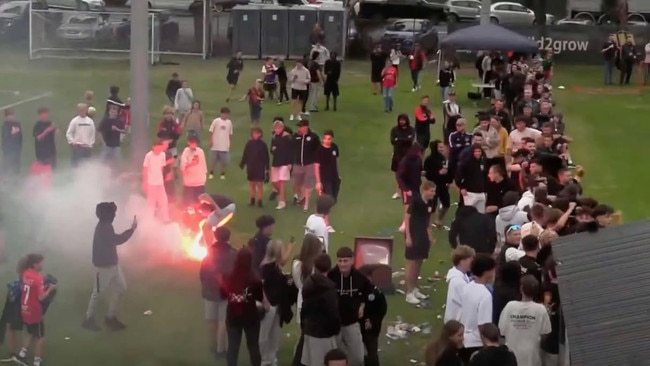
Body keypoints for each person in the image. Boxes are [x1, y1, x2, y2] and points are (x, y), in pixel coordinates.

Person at [82, 202, 137, 331]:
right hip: (103, 267)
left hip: (113, 264)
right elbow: (117, 240)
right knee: (97, 293)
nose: (115, 215)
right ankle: (88, 319)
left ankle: (110, 317)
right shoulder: (105, 227)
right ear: (108, 215)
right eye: (113, 213)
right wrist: (132, 230)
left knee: (121, 287)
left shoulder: (105, 225)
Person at [327, 247, 372, 365]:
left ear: (352, 260)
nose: (342, 264)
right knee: (334, 358)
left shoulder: (360, 277)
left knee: (358, 357)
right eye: (340, 261)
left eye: (345, 261)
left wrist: (362, 305)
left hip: (352, 322)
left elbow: (368, 294)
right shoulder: (331, 276)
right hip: (334, 323)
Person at [200, 227, 237, 359]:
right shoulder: (233, 253)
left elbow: (203, 271)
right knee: (223, 320)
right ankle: (220, 350)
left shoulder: (209, 252)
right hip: (226, 291)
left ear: (216, 237)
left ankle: (213, 345)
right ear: (228, 237)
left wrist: (205, 284)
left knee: (211, 320)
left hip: (210, 290)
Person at [498, 274, 551, 366]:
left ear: (521, 288)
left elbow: (501, 330)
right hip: (532, 356)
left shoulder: (510, 306)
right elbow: (545, 332)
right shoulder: (541, 309)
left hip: (511, 357)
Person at [16, 254, 56, 366]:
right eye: (40, 262)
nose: (42, 264)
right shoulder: (38, 278)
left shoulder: (25, 273)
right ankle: (37, 362)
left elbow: (30, 285)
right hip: (34, 311)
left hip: (24, 309)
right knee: (40, 337)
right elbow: (41, 297)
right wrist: (50, 289)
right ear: (35, 264)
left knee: (30, 332)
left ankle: (21, 355)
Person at [259, 240, 295, 366]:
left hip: (277, 305)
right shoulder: (266, 267)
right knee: (264, 335)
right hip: (269, 305)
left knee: (275, 334)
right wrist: (266, 302)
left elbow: (276, 282)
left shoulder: (275, 266)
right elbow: (260, 286)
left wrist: (286, 281)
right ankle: (264, 360)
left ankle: (272, 359)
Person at [225, 249, 263, 366]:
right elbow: (259, 297)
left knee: (233, 346)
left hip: (233, 315)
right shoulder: (255, 278)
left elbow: (223, 293)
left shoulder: (228, 276)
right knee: (253, 346)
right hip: (250, 316)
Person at [301, 254, 340, 366]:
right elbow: (333, 313)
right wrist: (335, 329)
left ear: (315, 266)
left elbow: (304, 308)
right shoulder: (329, 289)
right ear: (329, 267)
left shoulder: (308, 284)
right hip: (324, 334)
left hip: (309, 330)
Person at [459, 254, 496, 364]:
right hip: (476, 343)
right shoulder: (485, 295)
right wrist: (488, 347)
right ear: (486, 272)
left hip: (464, 339)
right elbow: (483, 325)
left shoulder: (467, 287)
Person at [404, 180, 436, 305]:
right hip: (413, 234)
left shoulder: (431, 202)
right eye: (432, 191)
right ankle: (409, 292)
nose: (434, 193)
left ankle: (414, 288)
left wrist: (430, 236)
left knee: (420, 261)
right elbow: (407, 218)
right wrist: (408, 237)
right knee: (412, 263)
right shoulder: (416, 201)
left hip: (423, 235)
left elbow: (428, 220)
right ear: (425, 190)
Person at [357, 265, 387, 366]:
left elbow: (381, 310)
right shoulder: (355, 291)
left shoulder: (377, 293)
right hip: (356, 326)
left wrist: (372, 321)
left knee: (371, 352)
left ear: (370, 278)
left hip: (370, 329)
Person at [292, 234, 324, 325]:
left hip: (301, 300)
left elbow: (297, 283)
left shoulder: (296, 264)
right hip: (314, 303)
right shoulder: (315, 268)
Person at [314, 130, 341, 230]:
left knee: (333, 200)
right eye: (325, 138)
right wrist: (318, 181)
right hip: (324, 179)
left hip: (335, 178)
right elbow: (316, 166)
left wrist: (339, 174)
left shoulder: (335, 147)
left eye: (329, 139)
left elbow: (336, 161)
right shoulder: (319, 150)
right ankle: (326, 223)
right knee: (327, 200)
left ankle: (319, 217)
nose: (326, 141)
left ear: (332, 139)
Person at [292, 120, 320, 212]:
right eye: (299, 126)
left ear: (306, 126)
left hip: (309, 164)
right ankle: (301, 197)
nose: (300, 128)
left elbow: (318, 150)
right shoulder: (295, 136)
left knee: (308, 184)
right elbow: (291, 149)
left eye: (301, 126)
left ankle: (306, 204)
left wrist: (317, 161)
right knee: (297, 183)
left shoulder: (313, 137)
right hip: (297, 164)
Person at [443, 245, 475, 322]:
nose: (472, 263)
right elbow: (468, 302)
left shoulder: (462, 275)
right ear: (462, 261)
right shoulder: (458, 281)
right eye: (470, 260)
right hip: (457, 321)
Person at [423, 140, 452, 227]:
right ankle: (428, 224)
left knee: (446, 204)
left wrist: (449, 180)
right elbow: (427, 174)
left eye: (443, 147)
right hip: (433, 186)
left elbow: (449, 171)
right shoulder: (429, 160)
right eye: (440, 147)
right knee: (432, 207)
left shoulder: (444, 158)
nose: (443, 149)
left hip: (443, 185)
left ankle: (439, 220)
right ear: (435, 148)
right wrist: (438, 172)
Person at [240, 127, 270, 207]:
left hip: (260, 167)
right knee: (252, 184)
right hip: (251, 166)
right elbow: (245, 154)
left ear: (260, 134)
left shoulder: (263, 145)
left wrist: (267, 169)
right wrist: (242, 164)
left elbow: (266, 157)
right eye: (254, 133)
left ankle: (260, 201)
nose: (255, 135)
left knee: (259, 185)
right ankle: (252, 200)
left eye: (257, 133)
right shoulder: (249, 143)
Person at [142, 140, 171, 223]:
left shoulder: (162, 155)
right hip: (151, 183)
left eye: (160, 148)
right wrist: (145, 182)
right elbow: (145, 169)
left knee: (164, 200)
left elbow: (161, 168)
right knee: (151, 202)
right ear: (154, 147)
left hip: (160, 183)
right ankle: (149, 219)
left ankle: (166, 218)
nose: (159, 150)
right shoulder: (148, 156)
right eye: (158, 148)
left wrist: (162, 179)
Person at [397, 144, 423, 232]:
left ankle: (412, 223)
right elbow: (399, 176)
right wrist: (405, 189)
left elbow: (419, 170)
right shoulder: (405, 162)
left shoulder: (418, 160)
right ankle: (404, 225)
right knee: (408, 206)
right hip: (407, 188)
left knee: (415, 205)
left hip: (415, 186)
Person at [390, 114, 415, 200]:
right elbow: (393, 141)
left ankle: (408, 190)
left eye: (403, 120)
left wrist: (399, 139)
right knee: (397, 173)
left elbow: (410, 140)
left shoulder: (411, 129)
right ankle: (397, 192)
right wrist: (403, 139)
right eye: (400, 120)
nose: (402, 121)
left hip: (408, 155)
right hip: (397, 154)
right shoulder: (394, 130)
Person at [269, 118, 293, 209]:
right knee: (274, 182)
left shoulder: (287, 137)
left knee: (281, 181)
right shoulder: (274, 137)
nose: (277, 130)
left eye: (279, 128)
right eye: (276, 128)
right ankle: (283, 197)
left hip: (285, 162)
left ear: (282, 128)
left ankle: (281, 202)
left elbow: (291, 151)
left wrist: (290, 163)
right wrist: (273, 150)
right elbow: (271, 150)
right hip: (276, 162)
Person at [180, 135, 208, 205]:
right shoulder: (186, 151)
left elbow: (203, 166)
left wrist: (203, 177)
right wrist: (191, 164)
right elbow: (183, 166)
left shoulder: (200, 151)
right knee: (188, 204)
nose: (193, 144)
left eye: (195, 143)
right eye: (192, 143)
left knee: (200, 203)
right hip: (189, 183)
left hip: (199, 182)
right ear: (188, 142)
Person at [65, 103, 95, 167]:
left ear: (86, 110)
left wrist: (90, 144)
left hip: (87, 147)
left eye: (84, 110)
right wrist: (72, 142)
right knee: (76, 166)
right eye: (80, 110)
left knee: (86, 166)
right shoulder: (74, 121)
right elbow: (69, 133)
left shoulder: (90, 121)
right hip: (78, 147)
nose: (82, 112)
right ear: (78, 111)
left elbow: (93, 134)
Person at [208, 107, 233, 180]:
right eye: (224, 114)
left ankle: (222, 174)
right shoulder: (216, 121)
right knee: (213, 161)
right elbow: (211, 131)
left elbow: (230, 133)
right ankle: (211, 173)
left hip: (225, 146)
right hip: (215, 146)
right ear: (221, 113)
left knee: (224, 162)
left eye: (227, 114)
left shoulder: (229, 122)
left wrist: (230, 143)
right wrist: (211, 140)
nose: (226, 115)